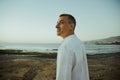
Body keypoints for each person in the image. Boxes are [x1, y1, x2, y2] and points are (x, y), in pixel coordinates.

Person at [55, 13, 89, 80]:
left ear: (71, 26)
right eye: (57, 23)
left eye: (61, 23)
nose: (56, 26)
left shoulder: (66, 46)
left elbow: (63, 76)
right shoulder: (79, 43)